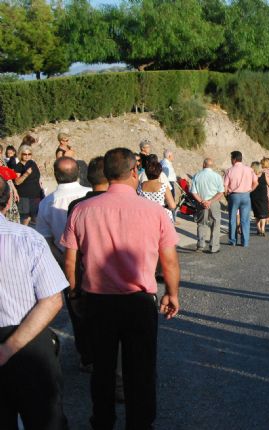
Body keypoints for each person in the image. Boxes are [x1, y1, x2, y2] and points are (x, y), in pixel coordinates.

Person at [61, 147, 180, 429]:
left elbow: (70, 259)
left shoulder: (82, 210)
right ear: (132, 172)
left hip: (98, 301)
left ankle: (102, 420)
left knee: (102, 369)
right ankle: (140, 423)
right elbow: (170, 261)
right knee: (141, 370)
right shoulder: (154, 211)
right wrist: (172, 293)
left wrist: (75, 293)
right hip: (138, 301)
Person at [0, 177, 69, 430]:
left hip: (22, 338)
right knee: (45, 420)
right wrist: (9, 348)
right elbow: (52, 300)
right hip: (27, 341)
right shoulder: (28, 238)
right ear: (9, 201)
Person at [66, 157, 109, 370]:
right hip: (114, 277)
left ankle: (88, 358)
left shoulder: (77, 206)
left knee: (83, 321)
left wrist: (72, 289)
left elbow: (71, 254)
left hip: (86, 274)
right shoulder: (122, 203)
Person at [36, 157, 92, 265]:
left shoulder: (46, 203)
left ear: (55, 174)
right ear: (78, 172)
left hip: (63, 261)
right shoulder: (92, 194)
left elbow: (45, 239)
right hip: (93, 261)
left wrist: (65, 262)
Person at [224, 151, 258, 247]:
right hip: (246, 195)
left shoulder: (229, 170)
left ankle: (233, 240)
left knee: (232, 219)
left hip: (234, 195)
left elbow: (225, 186)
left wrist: (226, 195)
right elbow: (256, 182)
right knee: (245, 219)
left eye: (231, 158)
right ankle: (245, 241)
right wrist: (250, 190)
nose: (231, 160)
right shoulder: (249, 169)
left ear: (234, 159)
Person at [191, 158, 224, 253]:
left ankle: (200, 245)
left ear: (203, 164)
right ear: (212, 166)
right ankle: (214, 247)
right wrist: (211, 201)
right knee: (215, 223)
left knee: (201, 223)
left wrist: (202, 201)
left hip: (201, 203)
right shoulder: (217, 176)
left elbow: (194, 192)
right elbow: (221, 192)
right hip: (214, 203)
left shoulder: (197, 176)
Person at [13, 144, 43, 225]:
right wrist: (26, 174)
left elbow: (37, 178)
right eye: (24, 154)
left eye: (29, 154)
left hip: (36, 196)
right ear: (20, 154)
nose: (27, 156)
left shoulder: (33, 163)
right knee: (25, 221)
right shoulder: (18, 166)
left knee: (36, 219)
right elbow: (17, 182)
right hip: (24, 197)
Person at [250, 161, 269, 236]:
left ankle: (258, 228)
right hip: (263, 196)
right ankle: (263, 229)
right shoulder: (264, 175)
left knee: (257, 213)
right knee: (263, 213)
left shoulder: (251, 175)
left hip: (254, 196)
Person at [161, 149, 178, 220]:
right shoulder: (166, 164)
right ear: (169, 156)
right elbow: (165, 176)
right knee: (171, 201)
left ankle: (172, 218)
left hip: (169, 182)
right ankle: (172, 219)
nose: (173, 157)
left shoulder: (164, 162)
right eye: (172, 155)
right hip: (169, 183)